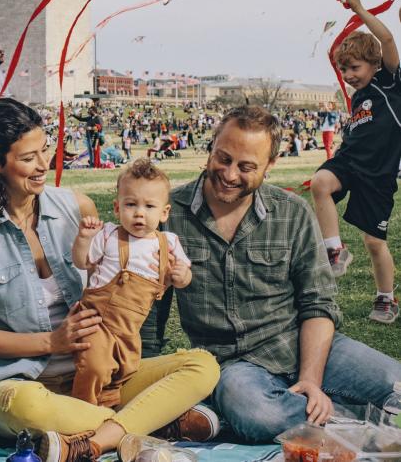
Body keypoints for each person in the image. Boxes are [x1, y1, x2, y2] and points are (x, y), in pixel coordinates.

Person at [0, 99, 219, 462]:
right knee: (20, 406)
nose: (43, 166)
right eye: (27, 158)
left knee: (201, 366)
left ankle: (97, 435)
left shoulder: (75, 207)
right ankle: (147, 425)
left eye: (44, 151)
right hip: (24, 382)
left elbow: (113, 271)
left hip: (101, 375)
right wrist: (52, 341)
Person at [143, 105, 401, 443]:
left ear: (270, 166)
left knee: (396, 383)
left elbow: (318, 303)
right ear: (211, 148)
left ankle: (327, 423)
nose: (230, 174)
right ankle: (365, 429)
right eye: (223, 158)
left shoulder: (292, 212)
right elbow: (149, 312)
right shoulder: (166, 214)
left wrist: (310, 378)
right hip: (233, 366)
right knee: (258, 413)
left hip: (307, 345)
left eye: (247, 166)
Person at [70, 160, 199, 413]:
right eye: (131, 204)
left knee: (122, 370)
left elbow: (184, 279)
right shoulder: (108, 235)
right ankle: (81, 410)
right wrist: (84, 239)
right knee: (94, 365)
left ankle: (106, 407)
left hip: (129, 328)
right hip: (96, 320)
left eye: (149, 206)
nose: (139, 213)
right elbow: (82, 262)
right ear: (117, 208)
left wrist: (181, 274)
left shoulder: (168, 243)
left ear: (164, 212)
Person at [309, 0, 401, 322]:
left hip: (378, 174)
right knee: (319, 183)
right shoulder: (357, 98)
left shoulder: (389, 82)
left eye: (354, 68)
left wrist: (359, 8)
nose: (348, 76)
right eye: (344, 70)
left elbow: (389, 40)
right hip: (349, 162)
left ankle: (386, 299)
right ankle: (334, 251)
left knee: (374, 243)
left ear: (374, 64)